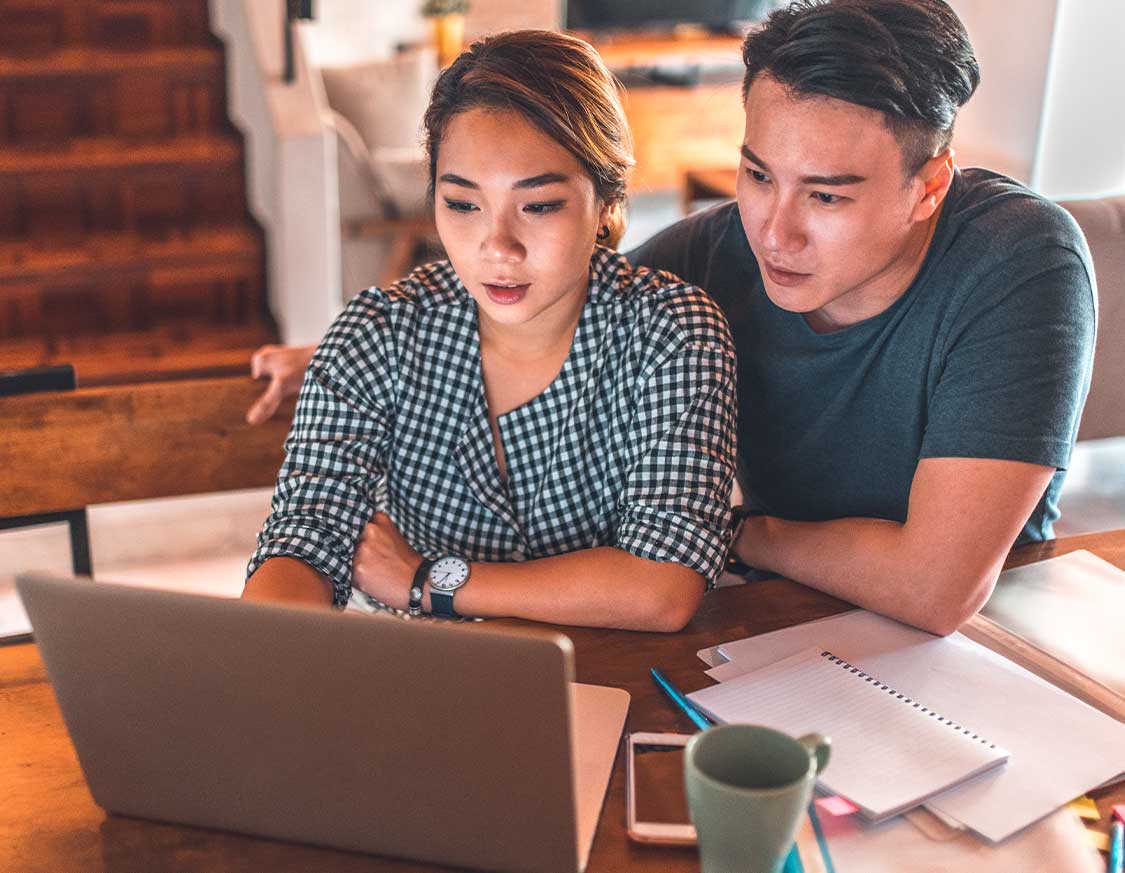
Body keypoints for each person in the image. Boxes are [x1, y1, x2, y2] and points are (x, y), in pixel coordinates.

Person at [249, 0, 1096, 636]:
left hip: (982, 645)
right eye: (757, 174)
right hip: (772, 625)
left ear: (929, 187)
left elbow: (935, 587)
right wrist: (337, 355)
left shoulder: (1017, 260)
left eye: (826, 195)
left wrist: (738, 533)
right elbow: (550, 295)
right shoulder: (712, 258)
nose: (774, 229)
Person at [242, 30, 738, 633]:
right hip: (427, 679)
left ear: (607, 201)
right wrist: (264, 655)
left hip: (616, 677)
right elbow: (304, 537)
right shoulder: (376, 334)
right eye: (462, 204)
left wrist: (428, 581)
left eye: (539, 205)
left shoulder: (672, 335)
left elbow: (663, 585)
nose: (496, 248)